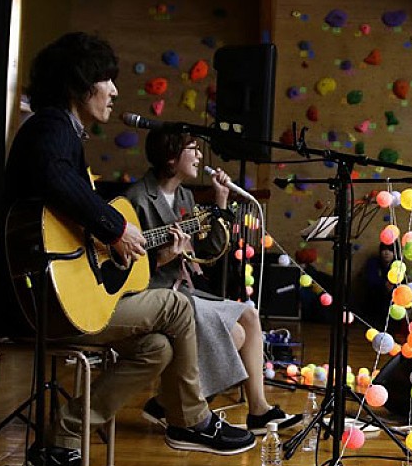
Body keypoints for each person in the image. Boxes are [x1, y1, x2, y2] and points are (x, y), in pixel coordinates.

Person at [0, 33, 253, 466]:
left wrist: (110, 240)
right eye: (106, 79)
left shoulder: (60, 132)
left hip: (55, 297)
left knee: (156, 348)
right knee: (176, 308)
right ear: (79, 84)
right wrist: (114, 228)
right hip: (38, 303)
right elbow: (56, 179)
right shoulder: (51, 126)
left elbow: (63, 217)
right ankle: (190, 420)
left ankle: (62, 439)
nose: (115, 91)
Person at [126, 129, 300, 435]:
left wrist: (221, 202)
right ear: (171, 157)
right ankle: (168, 404)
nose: (199, 156)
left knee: (249, 314)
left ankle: (258, 410)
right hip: (155, 294)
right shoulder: (136, 198)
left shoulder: (185, 196)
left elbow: (209, 251)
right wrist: (164, 257)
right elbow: (125, 266)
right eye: (192, 149)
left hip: (184, 289)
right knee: (234, 334)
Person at [362, 242, 397, 325]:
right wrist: (384, 284)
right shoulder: (373, 262)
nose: (387, 253)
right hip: (375, 297)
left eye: (390, 250)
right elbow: (370, 279)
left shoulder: (398, 265)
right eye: (384, 250)